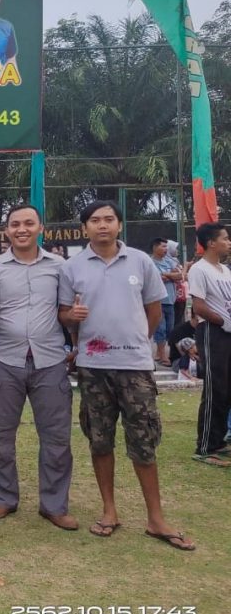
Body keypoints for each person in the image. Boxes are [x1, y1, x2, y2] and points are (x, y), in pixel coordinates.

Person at [59, 201, 194, 550]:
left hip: (135, 365)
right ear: (84, 228)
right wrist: (72, 315)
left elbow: (153, 311)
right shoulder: (72, 267)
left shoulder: (140, 261)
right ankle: (109, 510)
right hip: (92, 366)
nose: (102, 225)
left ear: (119, 224)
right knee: (99, 439)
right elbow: (63, 316)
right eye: (94, 221)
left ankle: (155, 517)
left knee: (143, 440)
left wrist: (134, 342)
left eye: (108, 219)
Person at [0, 204, 76, 530]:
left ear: (40, 228)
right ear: (7, 231)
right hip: (5, 359)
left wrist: (74, 344)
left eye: (28, 223)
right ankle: (4, 498)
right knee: (0, 435)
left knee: (57, 437)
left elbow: (65, 311)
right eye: (15, 224)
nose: (22, 229)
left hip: (50, 360)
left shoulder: (60, 266)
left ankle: (54, 505)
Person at [188, 222, 231, 465]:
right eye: (225, 238)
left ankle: (218, 441)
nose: (229, 242)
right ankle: (205, 447)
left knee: (227, 388)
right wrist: (223, 321)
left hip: (228, 333)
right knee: (215, 389)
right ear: (211, 243)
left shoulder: (225, 271)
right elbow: (199, 306)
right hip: (212, 332)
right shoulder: (199, 269)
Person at [149, 238, 181, 367]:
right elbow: (156, 279)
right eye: (163, 246)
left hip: (170, 300)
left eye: (166, 247)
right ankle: (163, 356)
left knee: (170, 329)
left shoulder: (168, 260)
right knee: (160, 329)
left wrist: (167, 275)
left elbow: (179, 275)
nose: (166, 249)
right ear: (155, 247)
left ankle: (159, 353)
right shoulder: (150, 262)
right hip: (157, 301)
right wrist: (169, 275)